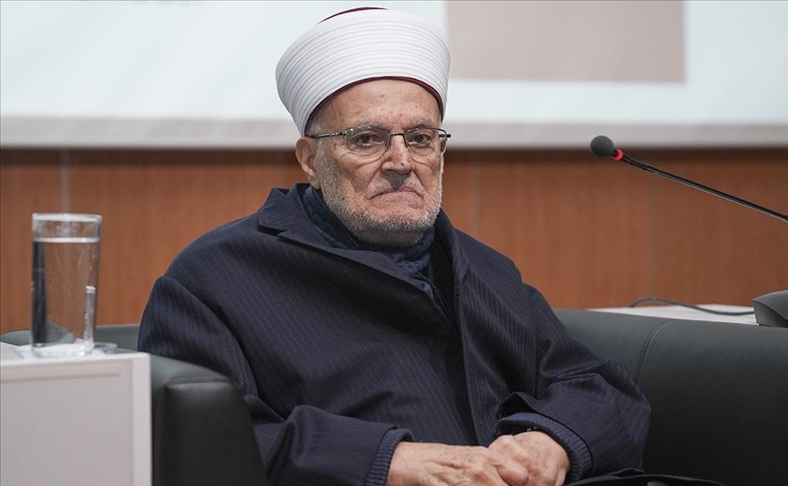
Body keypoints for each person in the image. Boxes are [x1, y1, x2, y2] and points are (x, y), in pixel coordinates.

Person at [139, 7, 650, 486]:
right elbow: (202, 439)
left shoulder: (483, 267)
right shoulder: (213, 277)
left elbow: (597, 387)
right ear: (311, 160)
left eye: (421, 138)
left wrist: (548, 443)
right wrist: (390, 462)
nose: (402, 162)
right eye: (367, 139)